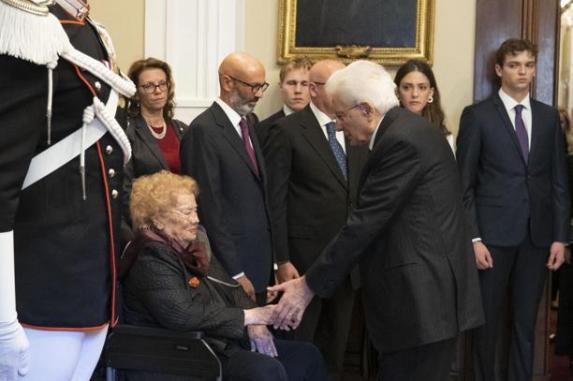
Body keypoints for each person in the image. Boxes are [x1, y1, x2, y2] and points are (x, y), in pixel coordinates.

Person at [269, 60, 484, 381]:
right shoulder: (406, 131)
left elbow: (365, 222)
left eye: (341, 115)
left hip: (422, 301)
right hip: (422, 300)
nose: (339, 126)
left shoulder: (401, 141)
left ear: (366, 109)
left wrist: (308, 285)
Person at [0, 1, 135, 380]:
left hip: (89, 281)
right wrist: (3, 319)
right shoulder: (25, 23)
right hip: (38, 284)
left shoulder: (86, 28)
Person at [122, 171, 327, 381]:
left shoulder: (192, 247)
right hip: (180, 352)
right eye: (187, 212)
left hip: (216, 341)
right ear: (158, 220)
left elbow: (231, 289)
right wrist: (250, 317)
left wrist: (256, 319)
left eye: (195, 210)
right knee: (266, 371)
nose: (196, 219)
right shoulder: (150, 257)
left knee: (307, 356)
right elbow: (182, 315)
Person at [456, 38, 570, 380]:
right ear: (499, 70)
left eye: (529, 65)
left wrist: (560, 238)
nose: (523, 72)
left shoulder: (549, 118)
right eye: (515, 65)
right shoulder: (477, 116)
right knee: (486, 324)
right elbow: (464, 185)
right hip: (491, 238)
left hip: (537, 238)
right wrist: (473, 239)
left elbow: (559, 183)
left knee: (525, 326)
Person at [262, 59, 368, 379]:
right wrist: (281, 258)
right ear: (314, 88)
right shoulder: (288, 130)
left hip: (347, 263)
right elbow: (275, 201)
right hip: (303, 262)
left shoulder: (355, 127)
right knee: (302, 345)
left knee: (336, 347)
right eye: (337, 83)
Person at [180, 52, 273, 305]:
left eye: (262, 86)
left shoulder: (248, 123)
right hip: (233, 266)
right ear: (228, 82)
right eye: (253, 86)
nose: (259, 94)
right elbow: (209, 208)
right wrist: (235, 271)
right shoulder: (204, 130)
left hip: (259, 261)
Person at [122, 58, 188, 236]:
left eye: (162, 84)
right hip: (149, 228)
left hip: (184, 224)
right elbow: (125, 189)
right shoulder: (128, 132)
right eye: (149, 86)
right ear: (136, 92)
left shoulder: (182, 130)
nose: (157, 91)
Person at [394, 59, 454, 151]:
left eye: (422, 88)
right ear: (397, 92)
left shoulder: (444, 136)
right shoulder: (387, 130)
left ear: (430, 93)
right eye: (406, 87)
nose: (414, 94)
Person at [255, 56, 312, 147]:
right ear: (281, 86)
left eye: (304, 84)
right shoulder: (263, 130)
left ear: (313, 88)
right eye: (291, 83)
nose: (298, 90)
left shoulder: (325, 127)